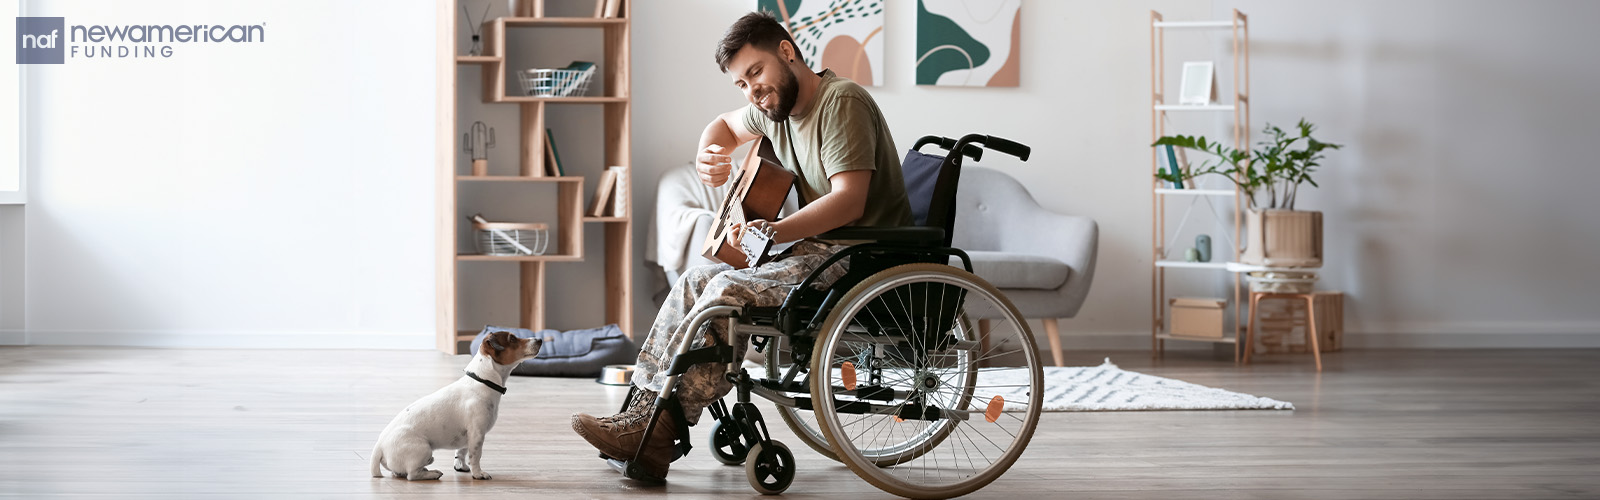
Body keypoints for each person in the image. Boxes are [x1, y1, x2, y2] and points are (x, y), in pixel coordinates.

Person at [570, 11, 912, 481]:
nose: (752, 90)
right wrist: (708, 155)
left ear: (787, 53)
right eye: (741, 83)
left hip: (858, 256)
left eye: (756, 72)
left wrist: (775, 231)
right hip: (818, 253)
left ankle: (658, 430)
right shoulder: (777, 109)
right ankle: (642, 417)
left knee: (727, 290)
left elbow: (850, 203)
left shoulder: (840, 102)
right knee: (695, 279)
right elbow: (723, 127)